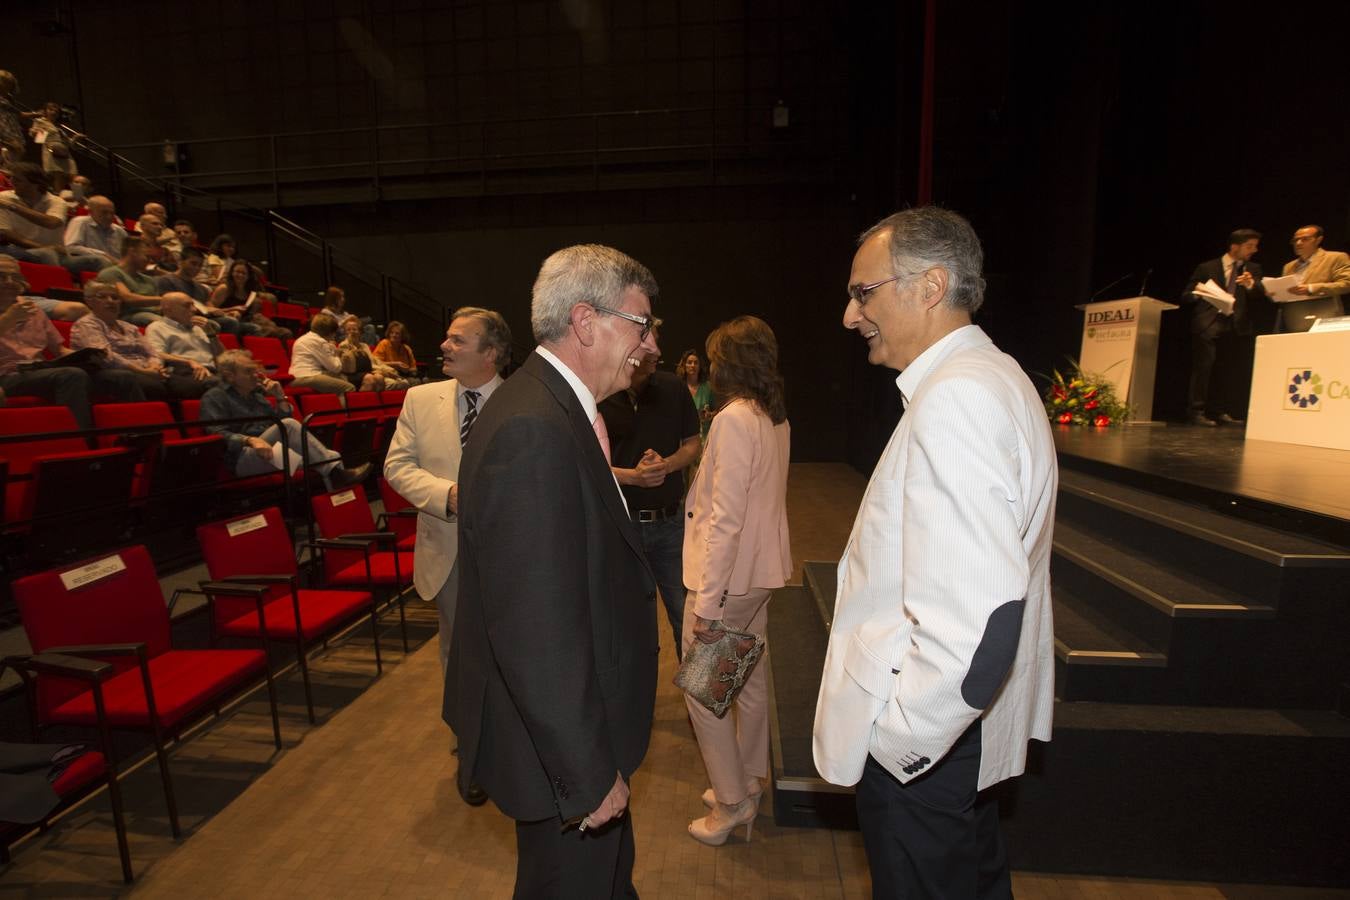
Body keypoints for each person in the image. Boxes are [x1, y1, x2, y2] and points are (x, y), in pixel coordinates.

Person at [813, 207, 1056, 899]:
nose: (849, 315)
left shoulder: (958, 400)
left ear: (929, 286)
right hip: (961, 743)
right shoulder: (995, 375)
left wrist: (901, 746)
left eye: (864, 293)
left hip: (931, 751)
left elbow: (981, 616)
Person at [446, 244, 660, 898]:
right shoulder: (534, 429)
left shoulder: (552, 410)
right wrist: (587, 773)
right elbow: (535, 627)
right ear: (586, 322)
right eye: (641, 325)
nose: (649, 345)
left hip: (578, 730)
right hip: (565, 754)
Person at [384, 306, 511, 807]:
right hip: (450, 551)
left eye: (459, 341)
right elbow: (397, 466)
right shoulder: (420, 399)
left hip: (511, 555)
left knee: (512, 652)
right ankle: (472, 753)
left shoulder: (522, 400)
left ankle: (511, 743)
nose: (445, 347)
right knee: (459, 656)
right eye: (447, 339)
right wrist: (449, 495)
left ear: (492, 353)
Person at [681, 315, 791, 847]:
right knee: (747, 679)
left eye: (716, 356)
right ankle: (748, 778)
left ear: (731, 362)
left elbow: (724, 518)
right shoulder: (774, 417)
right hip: (762, 573)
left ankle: (732, 802)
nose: (712, 365)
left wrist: (707, 601)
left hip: (728, 579)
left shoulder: (733, 419)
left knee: (703, 692)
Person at [599, 343, 701, 656]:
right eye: (648, 346)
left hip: (670, 525)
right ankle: (633, 701)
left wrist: (666, 465)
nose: (656, 351)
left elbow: (693, 444)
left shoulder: (673, 387)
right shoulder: (599, 391)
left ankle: (696, 705)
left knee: (686, 618)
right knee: (626, 623)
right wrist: (633, 476)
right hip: (620, 528)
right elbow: (585, 460)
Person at [201, 349, 369, 488]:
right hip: (241, 458)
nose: (256, 375)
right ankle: (337, 476)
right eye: (248, 371)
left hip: (272, 452)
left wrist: (280, 397)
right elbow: (215, 433)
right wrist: (249, 440)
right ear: (229, 376)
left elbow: (282, 429)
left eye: (255, 370)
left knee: (332, 456)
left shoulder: (257, 396)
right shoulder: (215, 396)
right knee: (291, 427)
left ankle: (333, 513)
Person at [0, 253, 103, 428]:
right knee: (71, 375)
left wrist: (87, 356)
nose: (10, 282)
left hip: (37, 370)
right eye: (2, 277)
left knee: (117, 376)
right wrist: (8, 318)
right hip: (6, 375)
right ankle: (77, 441)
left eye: (15, 277)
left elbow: (60, 350)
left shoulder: (34, 310)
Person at [1181, 228, 1266, 426]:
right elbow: (1186, 295)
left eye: (1255, 246)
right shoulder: (1207, 267)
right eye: (1249, 246)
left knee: (1227, 369)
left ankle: (1219, 410)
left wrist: (1251, 285)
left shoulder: (1252, 269)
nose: (1254, 250)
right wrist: (1200, 293)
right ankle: (1196, 411)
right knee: (1204, 367)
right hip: (1208, 322)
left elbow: (1260, 295)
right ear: (1234, 246)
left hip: (1236, 324)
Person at [0, 162, 102, 282]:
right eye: (12, 178)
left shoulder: (56, 201)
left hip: (58, 254)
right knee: (46, 254)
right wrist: (44, 247)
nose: (12, 182)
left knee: (98, 261)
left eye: (18, 180)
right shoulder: (3, 198)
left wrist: (14, 207)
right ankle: (59, 292)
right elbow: (5, 233)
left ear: (35, 183)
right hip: (19, 251)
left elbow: (52, 223)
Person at [156, 247, 247, 335]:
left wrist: (227, 312)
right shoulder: (167, 280)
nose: (197, 268)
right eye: (193, 263)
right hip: (181, 319)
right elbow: (169, 307)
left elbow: (210, 309)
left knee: (245, 325)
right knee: (228, 323)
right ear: (181, 262)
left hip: (203, 318)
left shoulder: (201, 288)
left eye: (200, 265)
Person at [1278, 225, 1350, 332]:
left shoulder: (1335, 258)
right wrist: (1276, 293)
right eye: (1295, 240)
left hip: (1326, 317)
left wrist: (1311, 288)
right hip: (1294, 320)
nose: (1298, 243)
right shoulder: (1288, 266)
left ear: (1318, 240)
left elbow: (1346, 284)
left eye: (1305, 239)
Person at [145, 292, 224, 378]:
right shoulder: (157, 327)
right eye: (187, 306)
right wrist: (189, 362)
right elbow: (156, 354)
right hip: (185, 371)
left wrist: (212, 336)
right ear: (169, 309)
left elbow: (223, 357)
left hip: (213, 371)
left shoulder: (200, 328)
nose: (194, 309)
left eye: (193, 305)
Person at [208, 260, 290, 339]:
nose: (240, 275)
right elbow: (210, 310)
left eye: (244, 273)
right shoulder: (224, 288)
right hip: (228, 320)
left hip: (245, 319)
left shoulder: (249, 291)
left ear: (248, 276)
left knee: (284, 332)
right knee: (255, 328)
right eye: (237, 272)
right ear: (232, 273)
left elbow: (260, 273)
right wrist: (231, 310)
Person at [95, 236, 164, 326]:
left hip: (154, 315)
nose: (150, 261)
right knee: (162, 324)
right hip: (127, 317)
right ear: (132, 252)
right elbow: (128, 298)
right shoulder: (111, 273)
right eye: (147, 256)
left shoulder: (148, 279)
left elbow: (158, 306)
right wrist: (165, 299)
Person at [289, 312, 351, 394]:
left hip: (295, 377)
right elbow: (336, 368)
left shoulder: (303, 338)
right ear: (329, 332)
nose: (334, 336)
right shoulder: (320, 342)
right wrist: (336, 354)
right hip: (307, 376)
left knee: (342, 378)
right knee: (349, 388)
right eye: (334, 333)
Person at [29, 102, 77, 194]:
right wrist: (38, 132)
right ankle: (60, 198)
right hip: (51, 150)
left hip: (64, 151)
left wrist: (75, 138)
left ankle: (78, 198)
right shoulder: (40, 121)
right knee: (58, 176)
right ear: (45, 111)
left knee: (73, 176)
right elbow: (37, 138)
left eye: (56, 110)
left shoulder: (59, 127)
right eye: (51, 109)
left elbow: (69, 144)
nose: (53, 112)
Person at [63, 195, 126, 265]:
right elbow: (71, 248)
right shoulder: (80, 222)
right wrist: (103, 255)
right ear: (91, 212)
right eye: (104, 212)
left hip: (118, 269)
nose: (109, 216)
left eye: (112, 213)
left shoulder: (119, 231)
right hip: (90, 267)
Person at [337, 316, 386, 391]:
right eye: (349, 330)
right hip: (351, 374)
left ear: (359, 331)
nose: (352, 332)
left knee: (379, 378)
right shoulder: (343, 345)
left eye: (354, 329)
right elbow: (347, 365)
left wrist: (380, 370)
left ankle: (376, 402)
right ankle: (360, 400)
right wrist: (350, 343)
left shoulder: (365, 346)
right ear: (345, 332)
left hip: (366, 372)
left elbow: (371, 362)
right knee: (369, 378)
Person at [676, 348, 715, 441]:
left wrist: (710, 415)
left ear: (700, 366)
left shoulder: (708, 387)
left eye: (696, 363)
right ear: (684, 365)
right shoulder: (678, 386)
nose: (692, 365)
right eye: (689, 362)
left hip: (705, 437)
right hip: (683, 438)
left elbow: (717, 409)